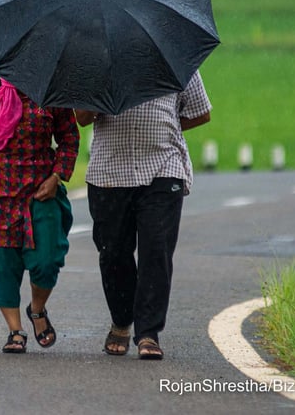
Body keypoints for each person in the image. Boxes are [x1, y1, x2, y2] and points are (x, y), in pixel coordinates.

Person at [75, 71, 211, 360]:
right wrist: (105, 90)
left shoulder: (174, 59)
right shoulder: (97, 63)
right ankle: (121, 321)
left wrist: (168, 126)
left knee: (156, 251)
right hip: (109, 172)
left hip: (164, 167)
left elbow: (201, 112)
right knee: (113, 253)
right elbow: (82, 117)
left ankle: (149, 332)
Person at [0, 78, 79, 354]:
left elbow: (69, 139)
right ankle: (15, 330)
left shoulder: (52, 95)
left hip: (40, 192)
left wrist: (57, 177)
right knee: (1, 264)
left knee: (48, 258)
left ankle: (37, 310)